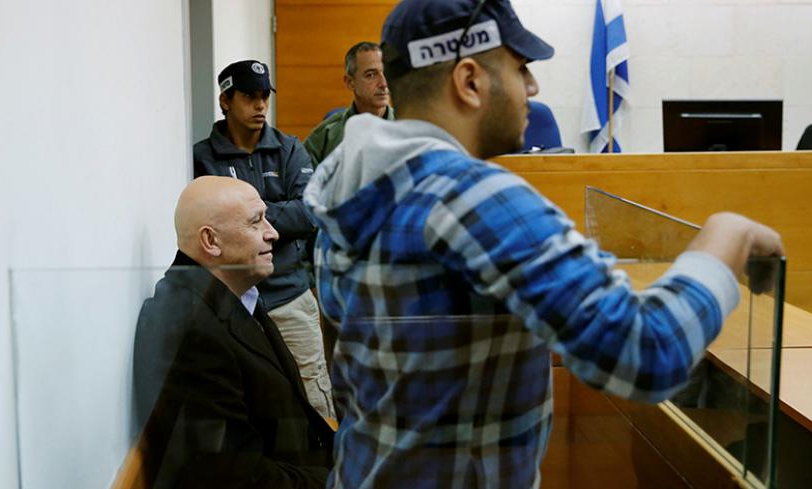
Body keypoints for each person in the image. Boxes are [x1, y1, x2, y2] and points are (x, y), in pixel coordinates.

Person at [301, 0, 785, 488]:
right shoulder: (472, 197)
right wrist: (729, 234)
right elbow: (648, 352)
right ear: (470, 81)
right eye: (521, 68)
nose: (532, 87)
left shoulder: (349, 183)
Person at [133, 176, 334, 489]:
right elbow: (236, 477)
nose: (273, 233)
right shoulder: (190, 330)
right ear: (211, 241)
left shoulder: (234, 294)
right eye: (256, 222)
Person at [193, 60, 335, 421]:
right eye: (248, 97)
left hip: (290, 297)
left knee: (314, 401)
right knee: (256, 409)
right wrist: (275, 212)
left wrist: (243, 215)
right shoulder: (202, 157)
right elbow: (208, 224)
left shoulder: (289, 149)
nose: (259, 106)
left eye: (263, 97)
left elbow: (311, 212)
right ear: (225, 100)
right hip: (232, 306)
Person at [303, 42, 394, 167]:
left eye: (387, 73)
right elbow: (304, 181)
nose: (383, 84)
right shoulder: (326, 135)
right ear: (350, 82)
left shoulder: (408, 127)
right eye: (371, 75)